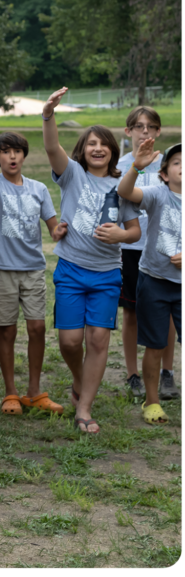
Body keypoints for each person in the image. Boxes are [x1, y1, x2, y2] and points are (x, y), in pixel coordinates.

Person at [41, 88, 141, 435]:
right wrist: (48, 115)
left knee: (98, 339)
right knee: (70, 341)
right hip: (71, 269)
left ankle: (84, 408)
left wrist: (121, 236)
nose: (97, 148)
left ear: (113, 150)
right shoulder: (71, 174)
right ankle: (80, 379)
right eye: (91, 143)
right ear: (82, 150)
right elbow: (51, 147)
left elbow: (135, 231)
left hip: (106, 274)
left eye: (104, 144)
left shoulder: (123, 185)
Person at [0, 111, 63, 416]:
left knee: (37, 327)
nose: (12, 157)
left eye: (17, 151)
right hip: (0, 269)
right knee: (8, 331)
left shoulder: (39, 189)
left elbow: (52, 226)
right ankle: (10, 392)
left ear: (24, 155)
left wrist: (60, 231)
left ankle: (35, 392)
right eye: (5, 152)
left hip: (33, 269)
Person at [117, 140, 183, 426]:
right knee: (154, 345)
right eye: (177, 162)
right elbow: (124, 191)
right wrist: (136, 167)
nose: (183, 166)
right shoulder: (158, 194)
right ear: (164, 174)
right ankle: (152, 401)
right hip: (154, 281)